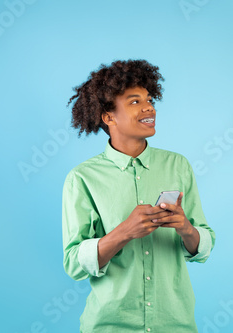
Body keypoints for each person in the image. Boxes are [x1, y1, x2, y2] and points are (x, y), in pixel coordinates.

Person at [62, 59, 216, 332]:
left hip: (175, 323)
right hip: (111, 325)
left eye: (149, 99)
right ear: (108, 117)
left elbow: (203, 247)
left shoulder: (178, 166)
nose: (149, 108)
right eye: (134, 102)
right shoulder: (83, 178)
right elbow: (74, 264)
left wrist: (186, 228)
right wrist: (124, 232)